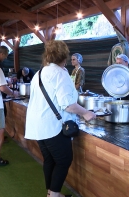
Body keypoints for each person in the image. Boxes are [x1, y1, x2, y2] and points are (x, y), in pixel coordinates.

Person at [24, 41, 96, 197]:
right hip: (53, 126)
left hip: (37, 125)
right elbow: (68, 105)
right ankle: (55, 194)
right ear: (64, 55)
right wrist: (86, 113)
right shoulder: (60, 73)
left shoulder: (40, 72)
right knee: (63, 160)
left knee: (50, 160)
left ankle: (51, 192)